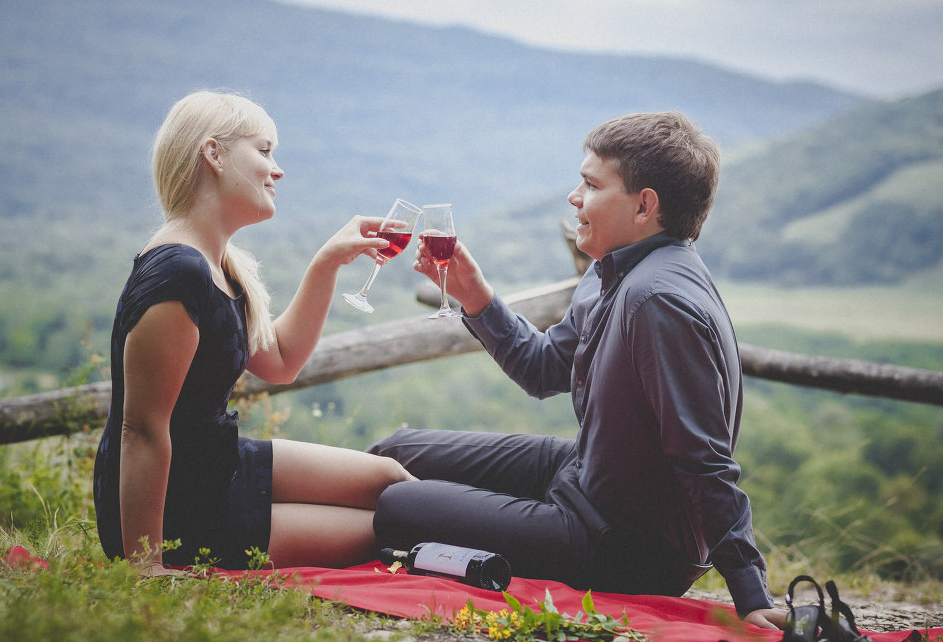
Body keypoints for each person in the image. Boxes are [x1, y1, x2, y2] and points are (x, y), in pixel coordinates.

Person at [366, 111, 785, 629]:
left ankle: (263, 533)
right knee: (395, 452)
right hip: (584, 474)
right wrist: (475, 295)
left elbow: (702, 460)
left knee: (400, 504)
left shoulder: (659, 302)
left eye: (590, 183)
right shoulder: (613, 271)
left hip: (620, 541)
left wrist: (750, 592)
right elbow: (543, 369)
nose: (573, 196)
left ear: (644, 205)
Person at [93, 90, 414, 575]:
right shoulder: (177, 272)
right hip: (181, 508)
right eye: (264, 151)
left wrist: (329, 261)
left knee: (392, 485)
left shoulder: (218, 264)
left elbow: (282, 360)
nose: (277, 169)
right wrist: (146, 565)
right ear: (214, 154)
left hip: (220, 464)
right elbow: (140, 429)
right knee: (387, 527)